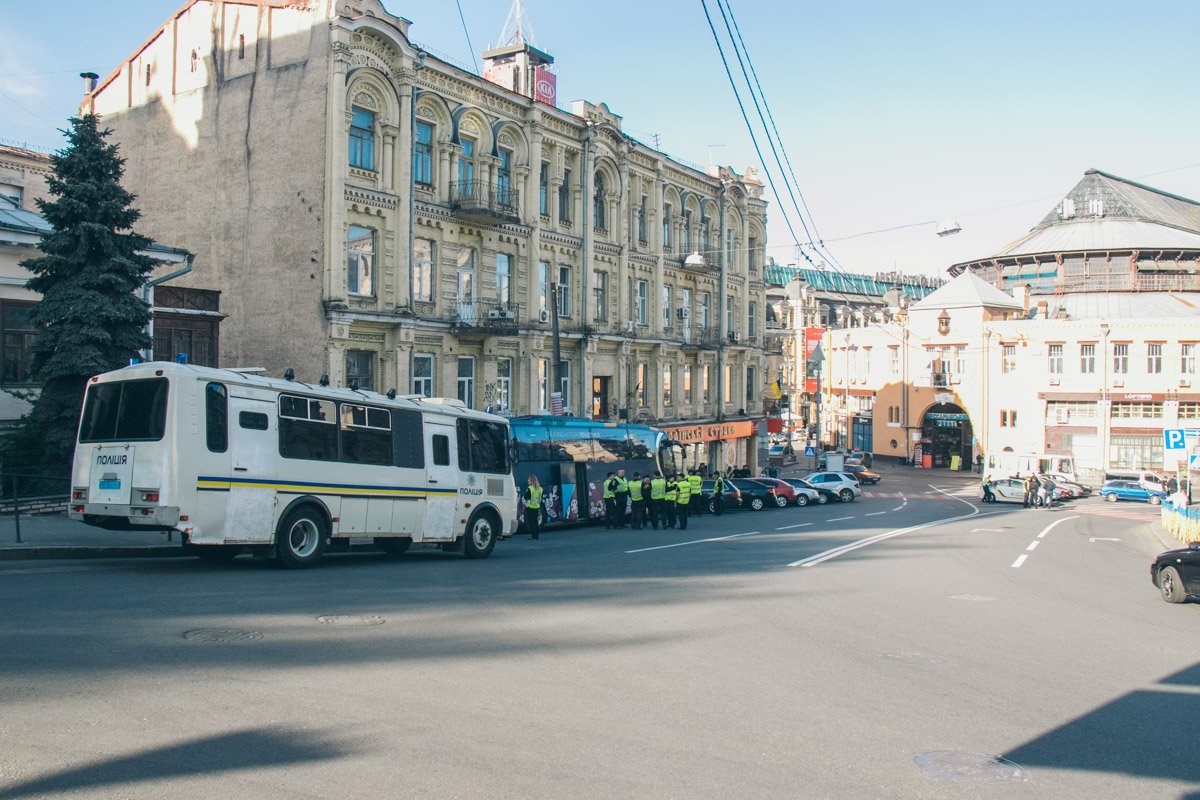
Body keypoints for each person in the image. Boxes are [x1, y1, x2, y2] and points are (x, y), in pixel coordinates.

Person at [522, 475, 544, 539]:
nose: (527, 480)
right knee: (535, 522)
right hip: (537, 507)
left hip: (530, 507)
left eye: (529, 479)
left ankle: (532, 536)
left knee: (530, 522)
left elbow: (526, 497)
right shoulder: (540, 488)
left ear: (531, 480)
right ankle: (536, 536)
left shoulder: (530, 488)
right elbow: (540, 498)